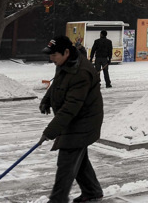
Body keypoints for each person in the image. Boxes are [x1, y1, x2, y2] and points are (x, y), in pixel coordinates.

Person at [39, 35, 104, 203]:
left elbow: (71, 107)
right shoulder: (66, 63)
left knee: (66, 162)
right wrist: (47, 99)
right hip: (74, 120)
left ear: (66, 52)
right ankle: (92, 192)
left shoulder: (81, 72)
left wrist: (50, 131)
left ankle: (58, 200)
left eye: (54, 55)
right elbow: (58, 83)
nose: (51, 58)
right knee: (79, 160)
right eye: (50, 55)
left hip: (83, 121)